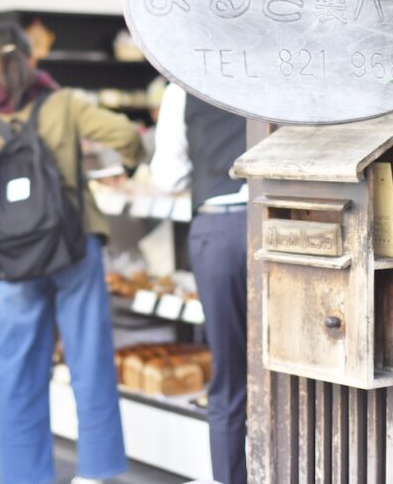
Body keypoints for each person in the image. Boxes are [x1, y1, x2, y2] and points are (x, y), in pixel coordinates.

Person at [0, 23, 144, 484]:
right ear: (31, 58)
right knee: (89, 358)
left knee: (19, 371)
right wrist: (125, 164)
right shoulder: (62, 103)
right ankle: (96, 471)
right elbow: (125, 134)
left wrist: (18, 232)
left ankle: (26, 477)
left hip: (18, 263)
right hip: (73, 247)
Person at [150, 81, 248, 484]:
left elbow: (168, 176)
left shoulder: (183, 88)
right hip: (280, 222)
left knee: (229, 375)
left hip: (217, 230)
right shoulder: (273, 66)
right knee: (288, 367)